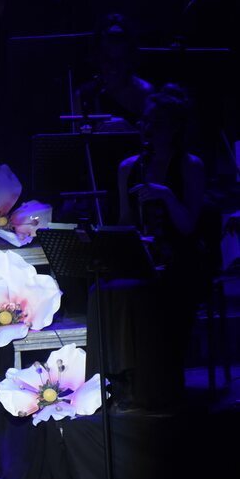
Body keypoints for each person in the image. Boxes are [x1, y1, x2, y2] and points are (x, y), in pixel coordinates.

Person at [87, 84, 207, 411]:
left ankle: (166, 387)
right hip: (145, 255)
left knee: (169, 295)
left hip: (182, 256)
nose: (149, 129)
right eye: (146, 121)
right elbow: (126, 221)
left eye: (158, 123)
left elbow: (187, 226)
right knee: (110, 289)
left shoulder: (190, 166)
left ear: (174, 128)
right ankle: (128, 381)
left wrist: (165, 194)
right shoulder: (129, 167)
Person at [74, 14, 154, 133]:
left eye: (120, 61)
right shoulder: (86, 94)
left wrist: (127, 128)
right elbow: (78, 141)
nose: (114, 69)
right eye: (108, 62)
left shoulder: (144, 92)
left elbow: (153, 138)